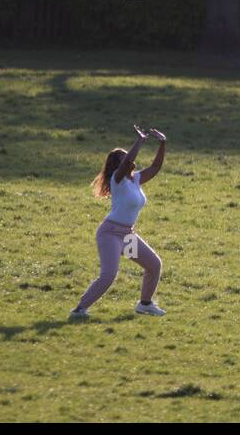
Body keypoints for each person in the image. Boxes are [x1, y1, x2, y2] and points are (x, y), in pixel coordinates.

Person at [71, 125, 168, 319]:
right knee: (108, 275)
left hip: (127, 235)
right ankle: (79, 310)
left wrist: (163, 143)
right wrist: (139, 140)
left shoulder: (136, 179)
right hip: (110, 234)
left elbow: (156, 167)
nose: (128, 159)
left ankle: (145, 304)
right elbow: (127, 163)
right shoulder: (117, 179)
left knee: (153, 265)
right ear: (118, 164)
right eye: (123, 158)